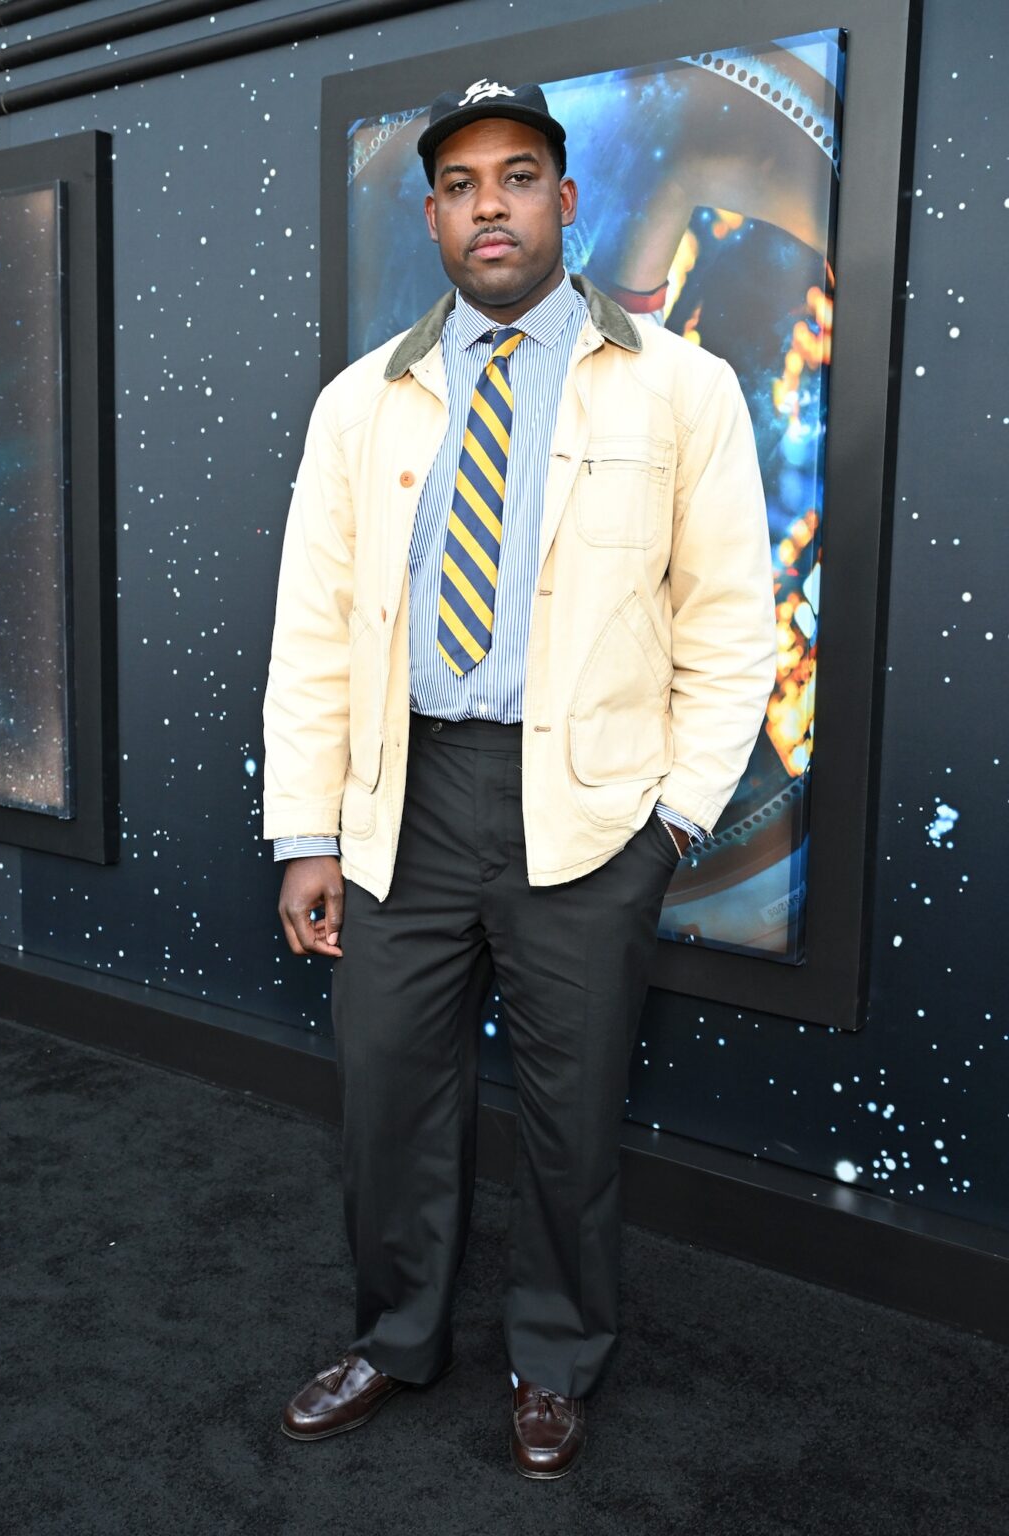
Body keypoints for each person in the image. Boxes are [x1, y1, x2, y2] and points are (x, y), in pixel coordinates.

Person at [263, 78, 776, 1480]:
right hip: (402, 806)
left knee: (571, 1115)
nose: (492, 203)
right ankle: (395, 1334)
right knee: (386, 1101)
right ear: (433, 215)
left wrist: (669, 821)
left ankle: (554, 1362)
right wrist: (308, 831)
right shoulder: (363, 403)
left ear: (565, 198)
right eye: (464, 183)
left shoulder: (683, 388)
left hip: (590, 810)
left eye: (520, 175)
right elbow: (312, 626)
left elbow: (732, 623)